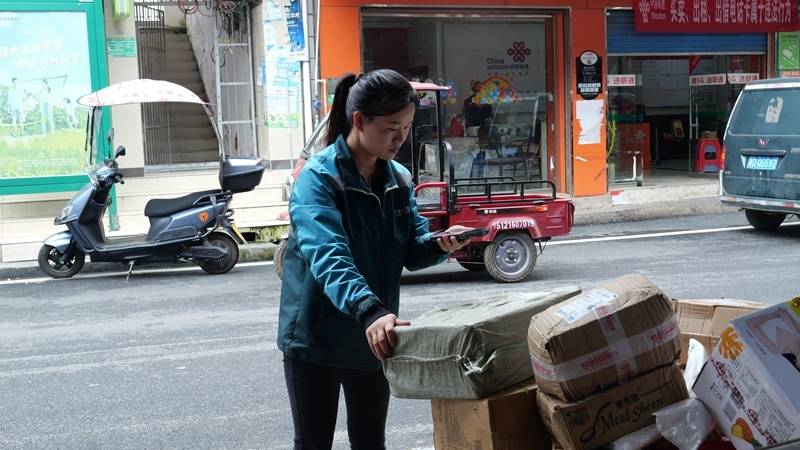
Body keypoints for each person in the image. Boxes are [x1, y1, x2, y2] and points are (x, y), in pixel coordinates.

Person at [277, 69, 472, 450]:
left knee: (370, 441)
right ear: (359, 121)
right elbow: (329, 256)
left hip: (375, 335)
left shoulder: (398, 179)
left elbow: (413, 251)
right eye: (391, 128)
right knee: (313, 443)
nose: (400, 139)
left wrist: (440, 245)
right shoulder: (318, 179)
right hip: (316, 338)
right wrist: (370, 310)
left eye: (407, 127)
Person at [746, 306, 800, 373]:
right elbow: (782, 310)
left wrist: (774, 314)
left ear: (797, 364)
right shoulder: (798, 333)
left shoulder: (776, 349)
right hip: (768, 304)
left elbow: (749, 323)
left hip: (752, 310)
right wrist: (796, 332)